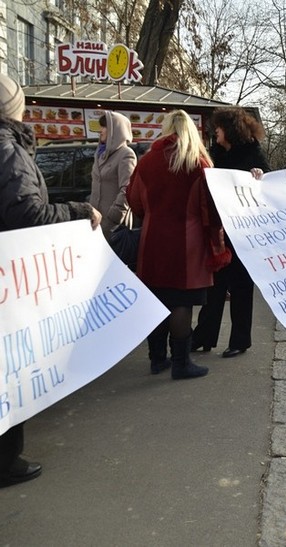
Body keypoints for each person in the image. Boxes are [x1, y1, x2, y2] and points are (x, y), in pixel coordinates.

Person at [0, 74, 102, 486]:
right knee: (9, 366)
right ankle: (5, 460)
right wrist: (80, 211)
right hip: (12, 281)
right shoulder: (7, 149)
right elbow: (28, 215)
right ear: (14, 107)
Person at [127, 109, 231, 379]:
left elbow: (134, 200)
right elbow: (211, 208)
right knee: (181, 302)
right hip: (188, 243)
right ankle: (181, 363)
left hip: (152, 240)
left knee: (157, 300)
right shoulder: (198, 164)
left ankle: (157, 359)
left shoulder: (147, 161)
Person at [191, 108, 269, 358]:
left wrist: (259, 176)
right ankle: (204, 335)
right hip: (218, 231)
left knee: (241, 287)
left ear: (231, 130)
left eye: (220, 127)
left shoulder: (252, 151)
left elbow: (265, 184)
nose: (215, 131)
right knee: (214, 287)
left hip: (244, 233)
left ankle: (240, 340)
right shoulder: (213, 154)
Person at [90, 111, 137, 240]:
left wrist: (114, 216)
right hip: (96, 223)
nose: (100, 130)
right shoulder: (100, 154)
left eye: (105, 127)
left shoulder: (126, 154)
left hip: (114, 226)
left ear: (116, 130)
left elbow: (127, 189)